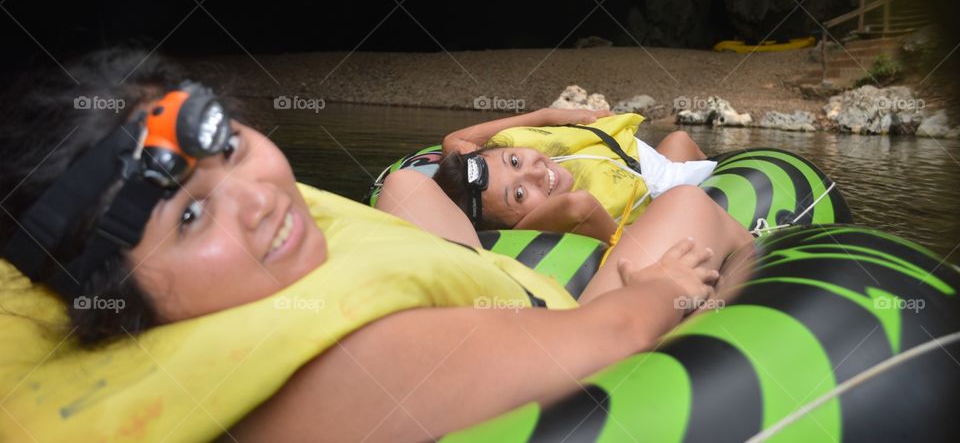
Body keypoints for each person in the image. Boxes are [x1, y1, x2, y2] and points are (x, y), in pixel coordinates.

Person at [0, 49, 749, 442]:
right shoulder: (333, 371)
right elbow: (605, 331)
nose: (259, 199)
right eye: (191, 218)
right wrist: (657, 288)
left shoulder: (176, 307)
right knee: (687, 205)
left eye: (227, 146)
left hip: (465, 270)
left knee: (407, 189)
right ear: (117, 300)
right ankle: (755, 263)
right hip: (553, 314)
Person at [375, 107, 753, 300]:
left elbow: (455, 139)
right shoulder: (547, 215)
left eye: (514, 161)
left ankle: (722, 177)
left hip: (633, 157)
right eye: (520, 196)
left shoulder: (474, 168)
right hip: (651, 185)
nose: (536, 172)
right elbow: (580, 207)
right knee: (689, 188)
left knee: (681, 139)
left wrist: (552, 116)